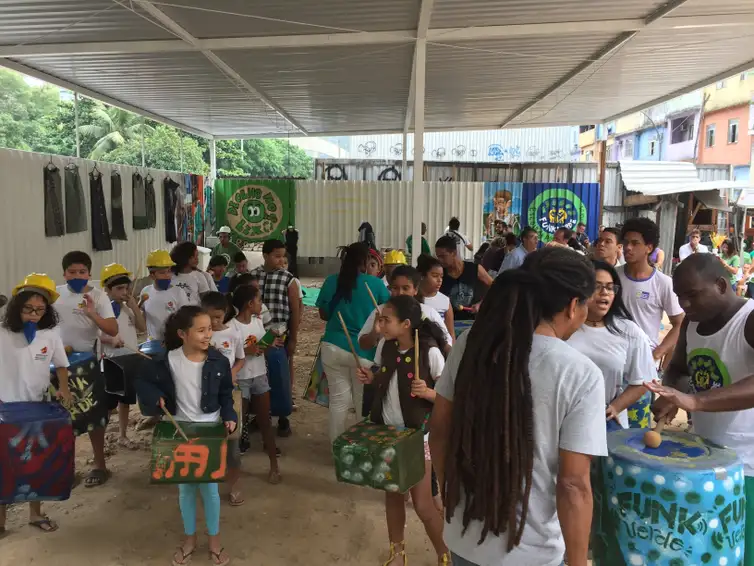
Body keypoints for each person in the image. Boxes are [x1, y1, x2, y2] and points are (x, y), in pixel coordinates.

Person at [429, 247, 607, 566]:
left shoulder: (473, 343)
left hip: (463, 540)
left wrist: (450, 494)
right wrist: (579, 563)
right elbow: (574, 484)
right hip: (530, 553)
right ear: (572, 306)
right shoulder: (580, 374)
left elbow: (440, 429)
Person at [647, 253, 754, 566]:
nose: (685, 306)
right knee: (712, 551)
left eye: (692, 296)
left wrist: (696, 402)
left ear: (721, 285)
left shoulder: (749, 318)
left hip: (748, 465)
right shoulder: (692, 325)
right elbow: (679, 368)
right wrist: (672, 394)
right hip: (708, 459)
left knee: (743, 551)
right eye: (680, 297)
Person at [136, 306, 236, 566]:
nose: (208, 335)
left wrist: (230, 415)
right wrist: (153, 397)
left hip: (210, 428)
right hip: (179, 428)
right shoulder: (165, 360)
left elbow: (226, 393)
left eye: (209, 329)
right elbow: (144, 382)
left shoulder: (218, 361)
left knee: (210, 490)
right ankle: (189, 538)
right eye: (201, 330)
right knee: (186, 489)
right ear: (182, 334)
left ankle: (214, 541)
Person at [356, 296, 450, 565]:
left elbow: (447, 397)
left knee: (423, 504)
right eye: (380, 318)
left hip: (417, 437)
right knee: (394, 496)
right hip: (388, 433)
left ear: (406, 324)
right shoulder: (385, 346)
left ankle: (445, 554)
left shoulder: (430, 351)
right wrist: (371, 378)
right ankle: (397, 552)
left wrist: (428, 391)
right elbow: (383, 376)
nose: (380, 324)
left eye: (386, 320)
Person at [0, 274, 71, 535]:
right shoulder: (2, 332)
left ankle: (35, 514)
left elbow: (62, 365)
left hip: (39, 408)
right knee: (5, 464)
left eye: (40, 310)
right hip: (6, 409)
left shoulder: (50, 334)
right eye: (28, 309)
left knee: (37, 462)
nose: (34, 314)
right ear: (17, 308)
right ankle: (1, 521)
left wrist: (63, 388)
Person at [568, 260, 657, 429]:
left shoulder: (629, 331)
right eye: (597, 286)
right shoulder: (565, 325)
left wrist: (615, 407)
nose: (604, 293)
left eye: (610, 287)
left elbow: (643, 381)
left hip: (607, 424)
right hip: (566, 419)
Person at [55, 251, 118, 488]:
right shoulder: (54, 295)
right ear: (64, 273)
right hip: (59, 364)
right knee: (63, 418)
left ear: (89, 274)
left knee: (94, 416)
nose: (77, 276)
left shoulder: (99, 296)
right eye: (72, 272)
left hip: (89, 364)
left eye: (82, 272)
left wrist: (92, 313)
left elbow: (111, 329)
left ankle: (100, 465)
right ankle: (68, 470)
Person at [315, 242, 390, 441]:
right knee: (361, 404)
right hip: (364, 351)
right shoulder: (375, 285)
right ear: (365, 261)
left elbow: (324, 314)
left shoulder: (332, 281)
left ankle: (337, 451)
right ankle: (360, 451)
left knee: (338, 402)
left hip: (332, 346)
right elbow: (387, 314)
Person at [249, 239, 302, 437]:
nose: (281, 260)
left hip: (280, 338)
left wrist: (293, 339)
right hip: (255, 337)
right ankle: (260, 415)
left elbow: (295, 311)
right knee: (258, 376)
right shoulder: (252, 276)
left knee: (281, 376)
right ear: (265, 255)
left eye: (283, 256)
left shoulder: (289, 279)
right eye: (276, 256)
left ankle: (282, 417)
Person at [618, 218, 684, 368]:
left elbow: (679, 324)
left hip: (643, 367)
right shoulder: (612, 277)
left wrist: (656, 355)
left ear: (649, 247)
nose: (628, 247)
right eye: (626, 242)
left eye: (635, 243)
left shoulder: (663, 283)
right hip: (613, 359)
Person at [201, 292, 248, 502]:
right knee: (205, 441)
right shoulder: (198, 335)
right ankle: (204, 484)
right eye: (209, 317)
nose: (214, 322)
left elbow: (240, 359)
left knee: (232, 442)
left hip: (228, 393)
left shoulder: (233, 334)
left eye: (218, 317)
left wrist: (233, 373)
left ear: (225, 313)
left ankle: (234, 484)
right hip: (203, 394)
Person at [100, 263, 147, 449]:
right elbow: (97, 335)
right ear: (107, 289)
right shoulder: (103, 310)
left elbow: (143, 328)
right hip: (112, 360)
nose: (124, 292)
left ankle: (122, 435)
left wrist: (134, 305)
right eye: (119, 288)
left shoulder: (128, 308)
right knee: (109, 403)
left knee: (126, 401)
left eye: (126, 288)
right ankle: (101, 436)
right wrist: (110, 341)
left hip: (131, 358)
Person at [358, 265, 452, 353]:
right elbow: (363, 345)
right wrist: (375, 332)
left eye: (405, 288)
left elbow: (446, 344)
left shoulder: (429, 312)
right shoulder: (380, 312)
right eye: (395, 288)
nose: (400, 293)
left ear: (415, 289)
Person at [435, 236, 493, 320]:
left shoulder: (475, 269)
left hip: (473, 321)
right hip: (449, 321)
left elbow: (495, 287)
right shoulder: (439, 273)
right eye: (438, 257)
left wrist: (481, 304)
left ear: (454, 253)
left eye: (443, 256)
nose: (440, 260)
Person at [141, 250, 189, 342]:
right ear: (152, 275)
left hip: (175, 342)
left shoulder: (178, 293)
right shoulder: (145, 292)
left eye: (169, 271)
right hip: (153, 343)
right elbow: (142, 319)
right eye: (162, 273)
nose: (167, 276)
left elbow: (185, 320)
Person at [418, 255, 455, 341]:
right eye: (435, 276)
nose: (439, 280)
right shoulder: (412, 298)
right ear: (422, 276)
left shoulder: (445, 301)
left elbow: (451, 334)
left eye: (441, 276)